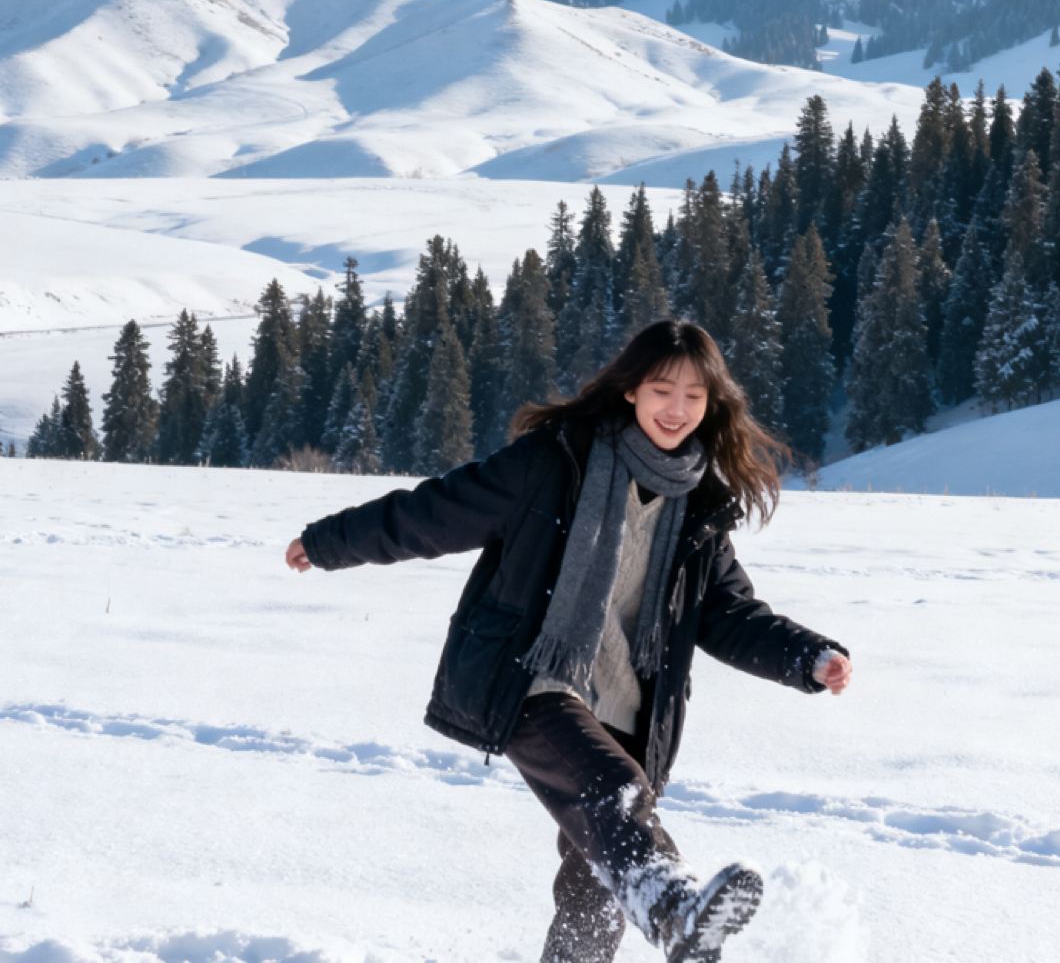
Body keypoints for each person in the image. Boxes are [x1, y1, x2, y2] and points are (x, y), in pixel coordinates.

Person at [285, 319, 852, 963]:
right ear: (632, 389)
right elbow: (435, 512)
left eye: (694, 396)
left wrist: (806, 656)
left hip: (626, 707)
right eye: (663, 390)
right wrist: (332, 542)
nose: (677, 409)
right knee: (614, 792)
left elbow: (727, 612)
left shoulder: (695, 506)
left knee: (596, 894)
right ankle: (672, 908)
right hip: (532, 678)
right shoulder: (555, 462)